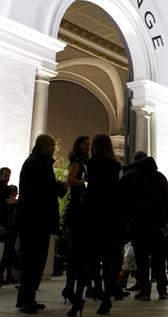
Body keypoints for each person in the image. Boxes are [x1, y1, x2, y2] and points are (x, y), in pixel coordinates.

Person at [13, 134, 68, 314]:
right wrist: (58, 187)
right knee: (32, 262)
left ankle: (28, 298)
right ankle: (26, 300)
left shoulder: (38, 162)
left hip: (36, 220)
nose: (54, 149)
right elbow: (38, 190)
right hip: (33, 221)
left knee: (35, 262)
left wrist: (56, 187)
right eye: (52, 146)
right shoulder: (35, 164)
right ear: (47, 147)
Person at [119, 150, 168, 301]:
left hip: (137, 222)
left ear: (135, 161)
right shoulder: (159, 177)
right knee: (158, 256)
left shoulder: (129, 176)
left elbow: (122, 200)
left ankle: (145, 291)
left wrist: (126, 219)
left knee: (141, 257)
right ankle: (162, 289)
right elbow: (167, 199)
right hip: (156, 222)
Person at [84, 134, 123, 315]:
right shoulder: (115, 166)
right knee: (110, 256)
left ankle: (97, 287)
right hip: (112, 213)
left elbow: (92, 189)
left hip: (95, 212)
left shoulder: (91, 164)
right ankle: (108, 294)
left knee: (93, 254)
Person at [62, 135, 91, 310]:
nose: (87, 147)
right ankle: (70, 289)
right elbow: (70, 180)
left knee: (79, 253)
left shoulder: (84, 163)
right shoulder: (76, 164)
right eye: (84, 144)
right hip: (77, 210)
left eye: (89, 144)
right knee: (77, 251)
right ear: (78, 145)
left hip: (80, 209)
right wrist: (86, 183)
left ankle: (70, 288)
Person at [0, 184, 19, 285]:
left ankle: (6, 276)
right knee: (8, 254)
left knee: (8, 253)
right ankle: (2, 276)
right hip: (9, 229)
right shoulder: (11, 203)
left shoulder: (8, 202)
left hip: (9, 229)